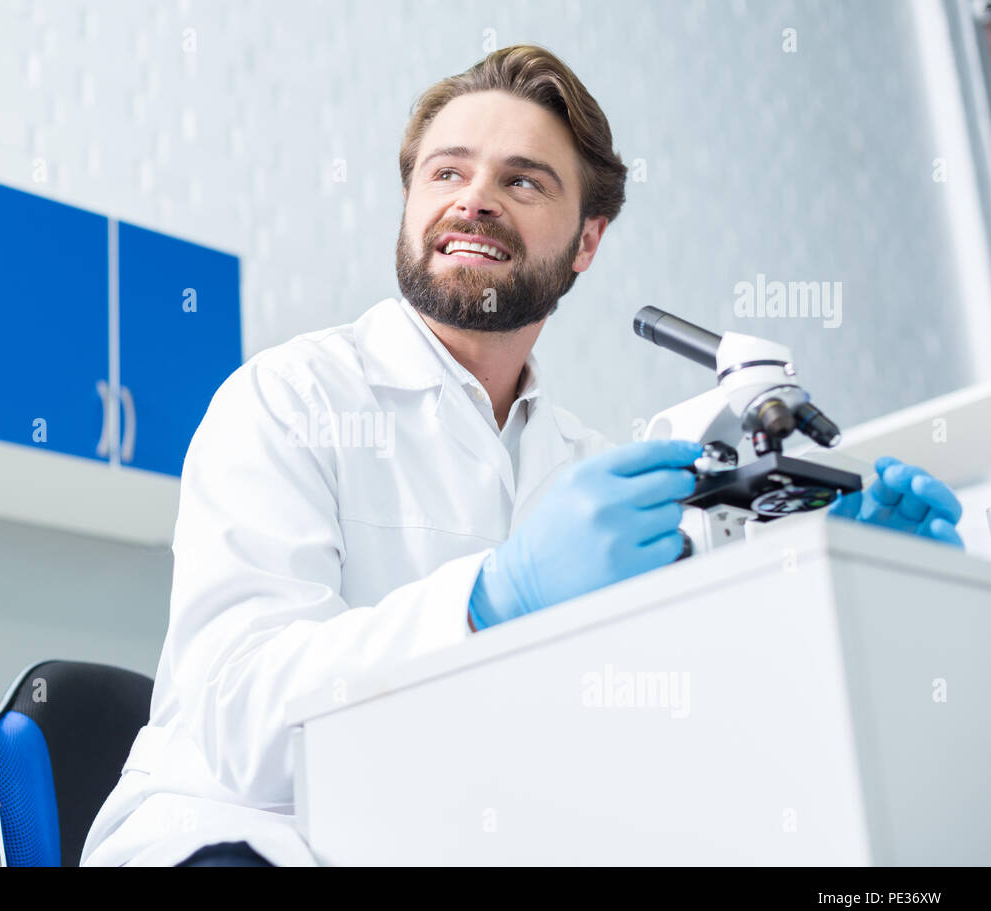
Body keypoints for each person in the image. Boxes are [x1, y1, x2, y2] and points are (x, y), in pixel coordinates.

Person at [80, 44, 965, 867]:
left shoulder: (591, 466)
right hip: (241, 839)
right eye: (447, 172)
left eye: (523, 181)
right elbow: (244, 726)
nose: (474, 199)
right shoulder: (285, 400)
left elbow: (673, 722)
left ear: (587, 241)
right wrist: (491, 598)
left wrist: (847, 583)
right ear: (412, 204)